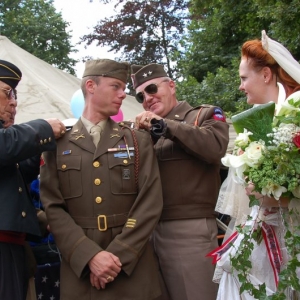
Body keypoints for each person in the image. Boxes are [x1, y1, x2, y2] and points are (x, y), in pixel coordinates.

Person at [39, 59, 164, 300]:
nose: (123, 93)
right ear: (91, 86)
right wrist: (89, 257)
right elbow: (53, 207)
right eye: (115, 86)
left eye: (123, 87)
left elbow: (150, 202)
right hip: (81, 269)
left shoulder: (137, 140)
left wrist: (118, 256)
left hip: (132, 266)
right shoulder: (56, 143)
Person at [213, 30, 300, 299]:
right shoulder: (251, 129)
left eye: (243, 78)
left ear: (265, 75)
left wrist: (280, 200)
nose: (240, 86)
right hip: (259, 231)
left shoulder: (295, 117)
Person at [131, 63, 229, 300]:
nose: (147, 98)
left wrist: (165, 126)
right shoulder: (141, 133)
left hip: (188, 230)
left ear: (172, 85)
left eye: (152, 88)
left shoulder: (203, 115)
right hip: (148, 232)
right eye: (141, 96)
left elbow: (214, 147)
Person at [0, 59, 66, 300]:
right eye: (8, 92)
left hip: (12, 245)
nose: (14, 102)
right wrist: (43, 129)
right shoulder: (7, 141)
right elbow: (6, 146)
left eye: (15, 94)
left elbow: (16, 172)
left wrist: (42, 149)